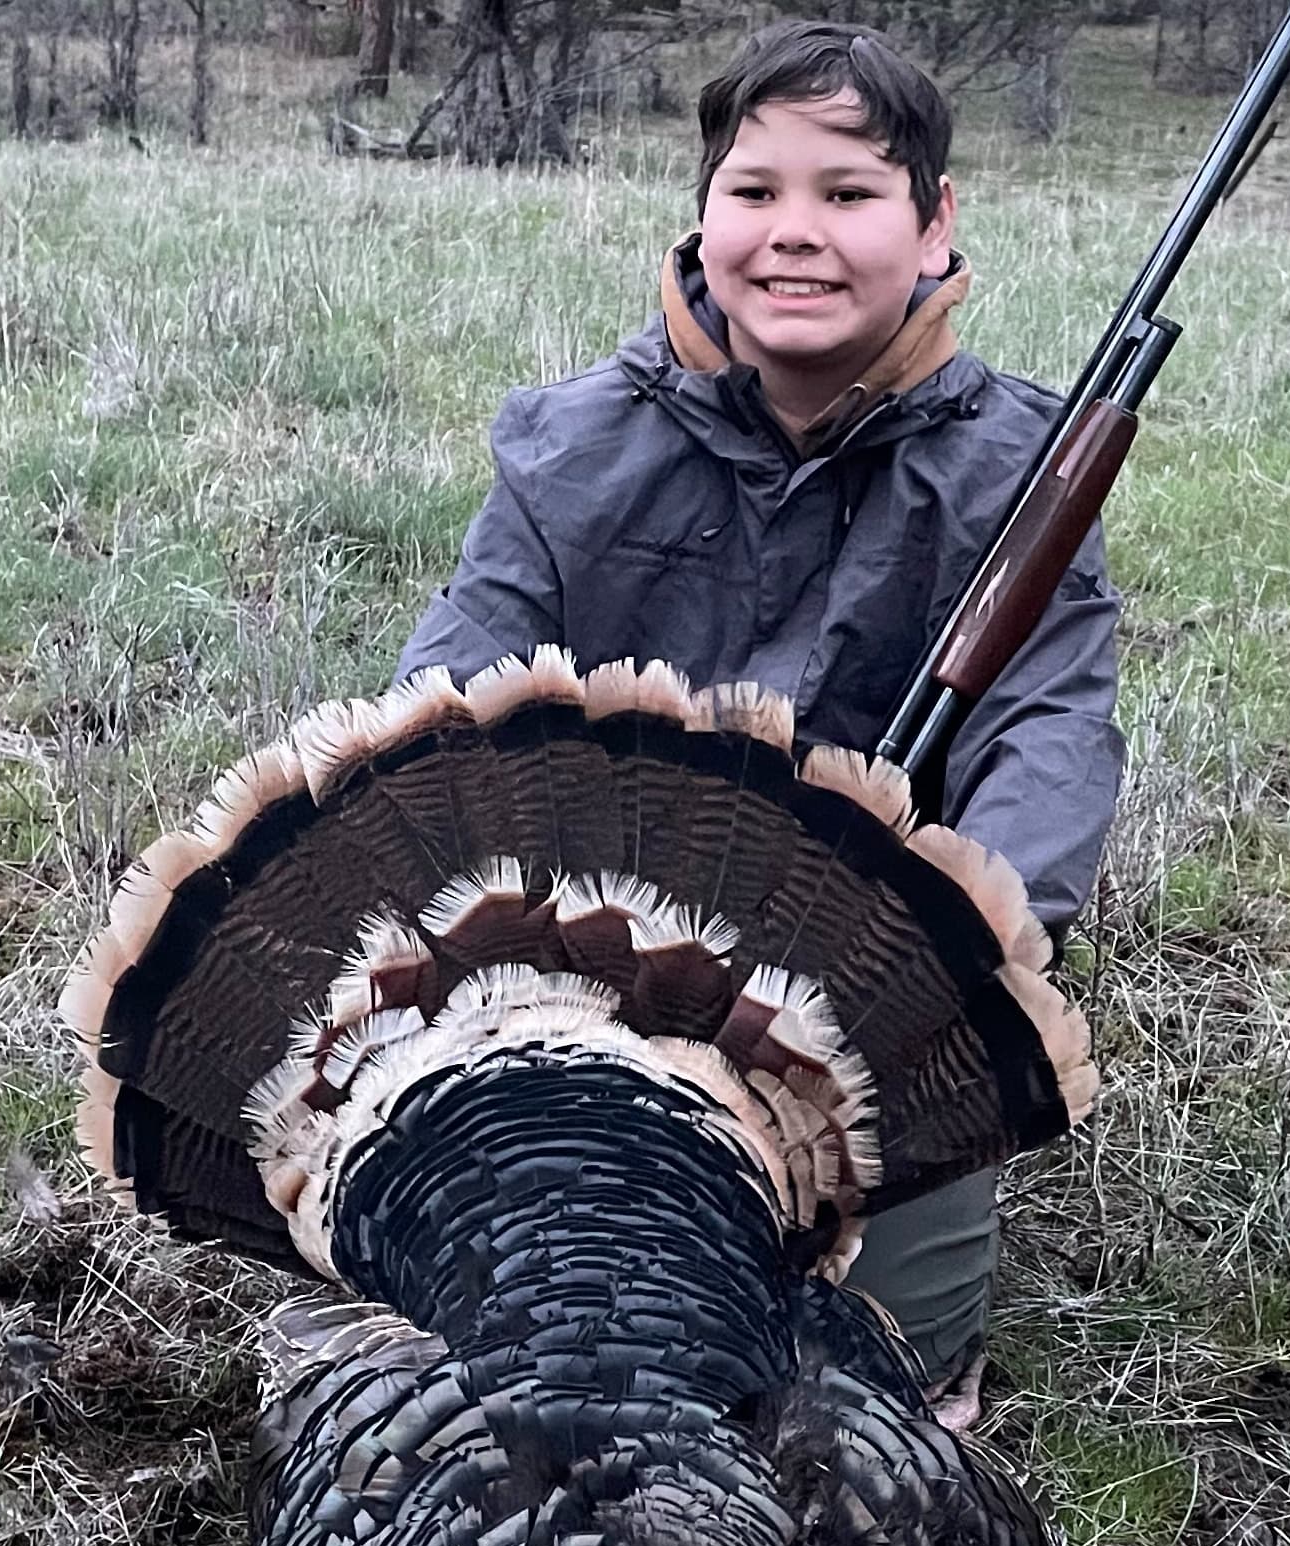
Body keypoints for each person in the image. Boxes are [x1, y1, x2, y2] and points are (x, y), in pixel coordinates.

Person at [390, 19, 1127, 1427]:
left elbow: (1049, 749)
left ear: (933, 223)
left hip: (870, 1006)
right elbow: (443, 718)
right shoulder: (569, 445)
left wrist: (944, 958)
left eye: (849, 195)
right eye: (755, 190)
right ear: (703, 212)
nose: (797, 234)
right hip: (591, 974)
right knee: (498, 1362)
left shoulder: (1019, 478)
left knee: (868, 1396)